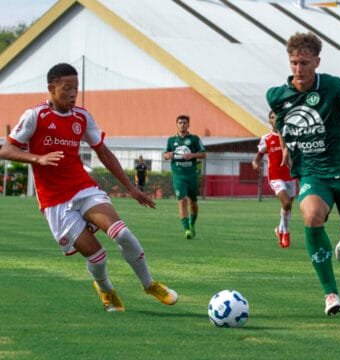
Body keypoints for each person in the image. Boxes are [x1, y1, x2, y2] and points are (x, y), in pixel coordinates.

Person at [0, 63, 177, 312]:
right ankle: (105, 289)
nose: (73, 93)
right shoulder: (35, 116)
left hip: (83, 188)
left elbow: (103, 152)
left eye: (76, 88)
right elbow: (6, 149)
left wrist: (132, 188)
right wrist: (37, 158)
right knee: (97, 256)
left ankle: (149, 284)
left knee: (122, 233)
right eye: (67, 88)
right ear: (51, 88)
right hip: (54, 201)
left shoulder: (82, 117)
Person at [266, 32, 340, 316]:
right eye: (293, 62)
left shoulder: (332, 85)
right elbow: (282, 124)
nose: (298, 69)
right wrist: (284, 147)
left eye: (304, 62)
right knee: (311, 216)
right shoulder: (277, 96)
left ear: (317, 61)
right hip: (313, 173)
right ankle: (331, 294)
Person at [252, 111, 296, 248]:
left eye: (277, 116)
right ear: (269, 121)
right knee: (287, 203)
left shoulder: (290, 136)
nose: (275, 119)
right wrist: (255, 163)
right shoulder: (267, 138)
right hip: (275, 177)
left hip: (290, 176)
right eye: (272, 117)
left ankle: (280, 229)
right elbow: (259, 155)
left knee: (287, 207)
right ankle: (286, 232)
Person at [164, 115, 206, 240]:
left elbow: (203, 154)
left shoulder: (194, 139)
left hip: (192, 175)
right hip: (178, 175)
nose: (182, 125)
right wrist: (169, 155)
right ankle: (186, 229)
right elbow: (166, 155)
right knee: (182, 200)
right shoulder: (171, 140)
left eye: (185, 123)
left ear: (188, 125)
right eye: (180, 122)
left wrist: (192, 155)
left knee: (193, 202)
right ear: (176, 124)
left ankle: (192, 224)